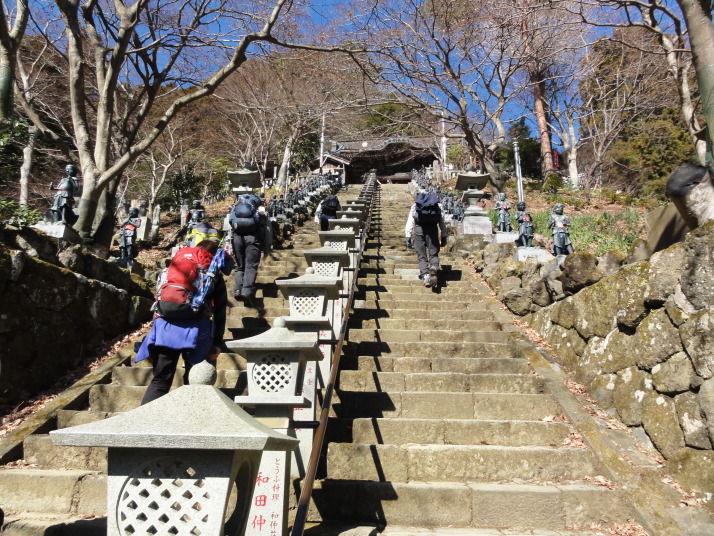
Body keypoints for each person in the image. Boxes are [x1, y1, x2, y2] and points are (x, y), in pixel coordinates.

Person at [136, 239, 233, 404]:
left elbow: (159, 300)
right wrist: (217, 342)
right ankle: (191, 422)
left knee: (160, 381)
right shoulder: (212, 273)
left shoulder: (174, 267)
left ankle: (142, 423)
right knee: (196, 382)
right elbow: (219, 311)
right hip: (197, 333)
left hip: (164, 330)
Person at [230, 193, 272, 307]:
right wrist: (267, 248)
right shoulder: (260, 212)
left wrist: (230, 244)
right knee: (251, 266)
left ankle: (237, 289)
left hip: (237, 239)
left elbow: (230, 224)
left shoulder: (235, 209)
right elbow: (267, 230)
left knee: (240, 266)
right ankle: (247, 292)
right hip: (253, 239)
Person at [405, 190, 447, 288]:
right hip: (433, 229)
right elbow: (442, 223)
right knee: (433, 252)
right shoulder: (438, 206)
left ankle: (425, 275)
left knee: (421, 254)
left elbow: (410, 222)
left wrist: (408, 235)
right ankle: (434, 266)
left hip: (419, 229)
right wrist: (443, 236)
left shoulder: (415, 206)